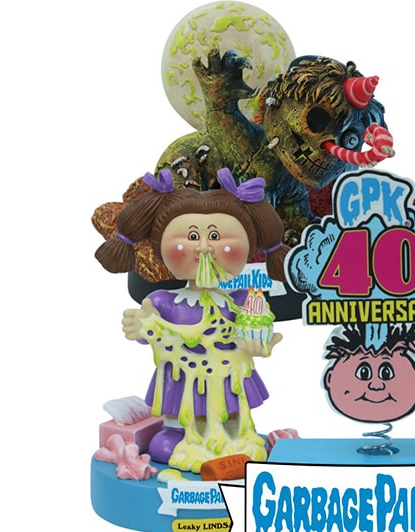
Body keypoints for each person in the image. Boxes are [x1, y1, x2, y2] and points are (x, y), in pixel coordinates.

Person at [95, 168, 289, 471]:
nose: (204, 247)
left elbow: (258, 325)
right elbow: (148, 326)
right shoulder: (164, 301)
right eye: (193, 236)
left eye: (216, 236)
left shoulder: (243, 299)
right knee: (166, 439)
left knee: (234, 416)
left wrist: (259, 340)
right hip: (181, 382)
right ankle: (183, 439)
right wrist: (141, 327)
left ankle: (235, 437)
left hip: (229, 382)